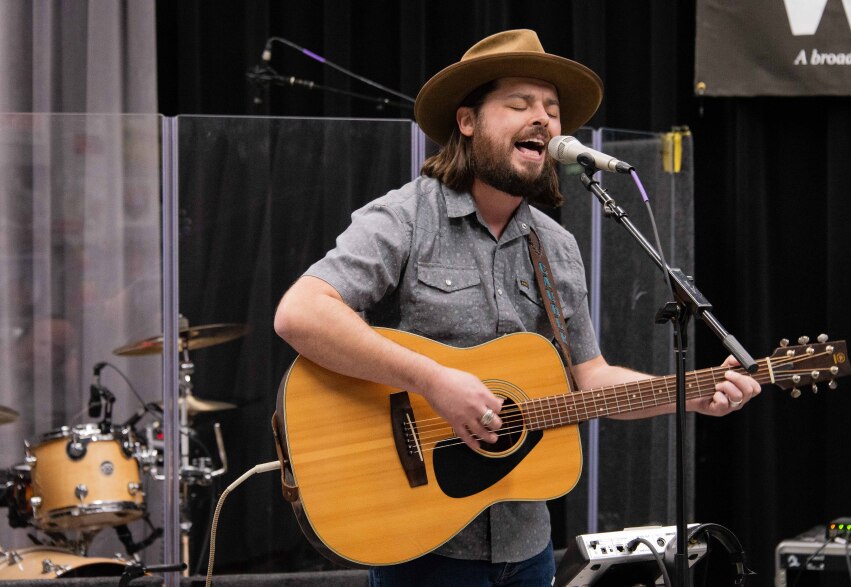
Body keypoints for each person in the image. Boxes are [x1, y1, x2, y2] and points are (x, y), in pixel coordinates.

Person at [274, 29, 760, 587]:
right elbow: (301, 313)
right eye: (520, 104)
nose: (545, 121)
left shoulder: (556, 247)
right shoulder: (406, 218)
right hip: (424, 549)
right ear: (467, 121)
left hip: (528, 550)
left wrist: (688, 394)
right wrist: (434, 380)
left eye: (552, 110)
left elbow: (589, 379)